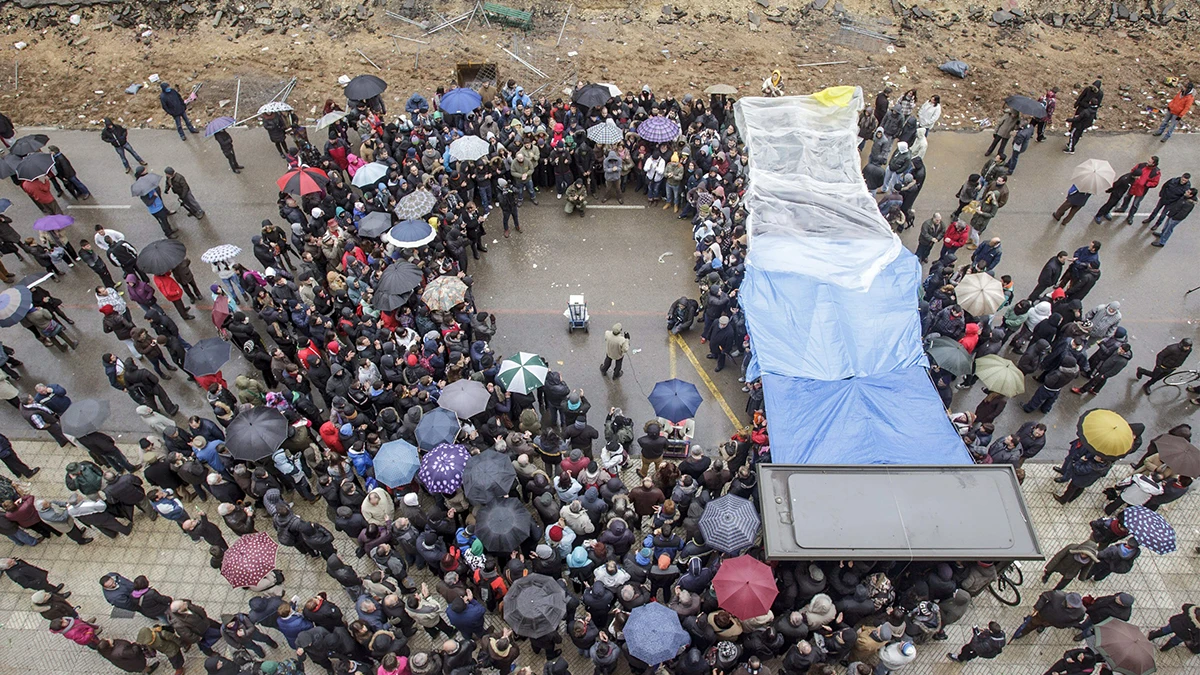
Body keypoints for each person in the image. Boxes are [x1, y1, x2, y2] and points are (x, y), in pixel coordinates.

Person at [1011, 590, 1086, 640]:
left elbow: (1077, 620)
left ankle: (1042, 626)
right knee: (1031, 624)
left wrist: (1065, 625)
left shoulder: (1081, 611)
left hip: (1054, 622)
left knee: (1046, 624)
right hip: (1043, 615)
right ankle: (1023, 632)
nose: (1071, 606)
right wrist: (1037, 608)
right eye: (1070, 604)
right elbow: (1044, 596)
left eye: (1073, 605)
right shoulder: (1057, 595)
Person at [1114, 156, 1161, 224]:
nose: (1147, 162)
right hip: (1133, 186)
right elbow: (1133, 170)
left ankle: (1131, 216)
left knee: (1135, 204)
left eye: (1150, 162)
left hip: (1141, 190)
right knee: (1127, 198)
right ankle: (1123, 208)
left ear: (1154, 164)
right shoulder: (1141, 165)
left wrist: (1146, 184)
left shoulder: (1156, 172)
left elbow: (1155, 183)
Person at [133, 167, 177, 238]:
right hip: (156, 209)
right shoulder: (142, 191)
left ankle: (170, 229)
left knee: (165, 219)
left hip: (159, 205)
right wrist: (154, 196)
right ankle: (168, 234)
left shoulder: (146, 180)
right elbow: (148, 202)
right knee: (163, 222)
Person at [1, 557, 65, 594]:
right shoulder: (16, 575)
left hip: (38, 576)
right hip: (37, 583)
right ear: (8, 567)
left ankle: (55, 589)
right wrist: (38, 581)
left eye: (11, 560)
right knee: (47, 589)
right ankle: (59, 595)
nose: (13, 560)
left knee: (47, 585)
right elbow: (25, 584)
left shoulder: (16, 562)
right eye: (11, 562)